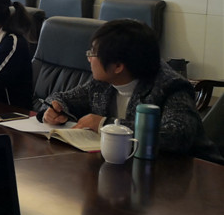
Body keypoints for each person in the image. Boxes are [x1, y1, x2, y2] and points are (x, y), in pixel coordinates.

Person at [39, 19, 203, 154]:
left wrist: (105, 124)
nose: (88, 58)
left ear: (118, 66)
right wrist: (54, 109)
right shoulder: (102, 83)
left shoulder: (171, 86)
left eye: (93, 53)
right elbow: (62, 98)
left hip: (179, 174)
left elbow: (176, 136)